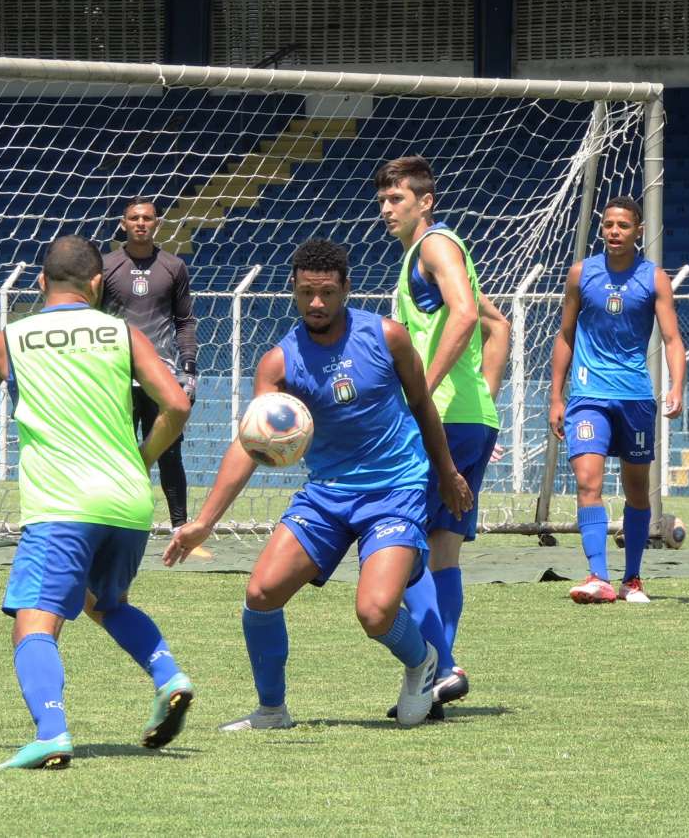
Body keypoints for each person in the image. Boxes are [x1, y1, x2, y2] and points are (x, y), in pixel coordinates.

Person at [0, 235, 195, 769]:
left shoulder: (9, 340)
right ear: (98, 283)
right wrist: (143, 458)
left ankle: (52, 731)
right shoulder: (123, 333)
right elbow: (176, 404)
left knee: (33, 622)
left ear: (40, 282)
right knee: (105, 604)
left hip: (62, 505)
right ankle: (169, 676)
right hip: (128, 502)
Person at [165, 238, 473, 730]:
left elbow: (422, 405)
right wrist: (204, 522)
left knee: (375, 613)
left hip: (395, 490)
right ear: (292, 289)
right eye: (306, 292)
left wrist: (448, 472)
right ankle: (272, 711)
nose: (316, 303)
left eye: (327, 292)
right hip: (327, 493)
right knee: (261, 593)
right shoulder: (279, 363)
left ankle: (423, 663)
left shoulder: (388, 337)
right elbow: (250, 441)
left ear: (346, 288)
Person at [375, 155, 508, 711]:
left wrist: (423, 392)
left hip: (443, 419)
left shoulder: (434, 246)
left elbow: (464, 315)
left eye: (397, 199)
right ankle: (439, 678)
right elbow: (497, 323)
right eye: (383, 200)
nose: (387, 209)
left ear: (425, 202)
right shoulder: (429, 254)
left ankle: (442, 664)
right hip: (469, 417)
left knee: (400, 546)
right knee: (443, 551)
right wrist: (484, 401)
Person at [549, 195, 685, 604]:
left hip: (635, 398)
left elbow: (672, 339)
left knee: (637, 490)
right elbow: (565, 335)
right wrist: (556, 396)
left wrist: (677, 386)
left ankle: (632, 579)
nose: (614, 232)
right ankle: (598, 577)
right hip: (588, 394)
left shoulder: (654, 278)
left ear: (638, 231)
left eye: (623, 225)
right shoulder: (581, 273)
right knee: (587, 481)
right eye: (608, 224)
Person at [101, 196, 198, 530]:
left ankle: (180, 528)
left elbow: (184, 322)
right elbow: (93, 319)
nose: (140, 223)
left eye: (147, 218)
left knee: (169, 452)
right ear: (123, 224)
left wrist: (189, 369)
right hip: (116, 375)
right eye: (134, 218)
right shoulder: (106, 266)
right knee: (117, 452)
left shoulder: (174, 266)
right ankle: (115, 524)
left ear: (157, 223)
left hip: (161, 375)